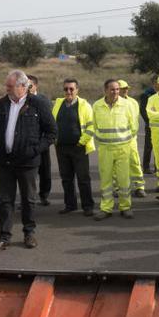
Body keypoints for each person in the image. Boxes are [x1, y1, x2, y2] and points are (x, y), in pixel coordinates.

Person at [0, 70, 57, 255]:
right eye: (7, 86)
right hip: (5, 162)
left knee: (28, 199)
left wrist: (34, 150)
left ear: (23, 86)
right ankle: (4, 236)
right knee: (5, 200)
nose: (6, 89)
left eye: (10, 86)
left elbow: (51, 133)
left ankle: (29, 233)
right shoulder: (1, 104)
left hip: (28, 162)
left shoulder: (39, 104)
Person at [91, 79, 137, 220]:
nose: (116, 92)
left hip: (123, 148)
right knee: (106, 181)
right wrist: (100, 138)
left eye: (117, 89)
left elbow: (134, 126)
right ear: (105, 90)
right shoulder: (97, 106)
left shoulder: (127, 104)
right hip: (105, 149)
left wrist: (125, 141)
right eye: (112, 89)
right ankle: (106, 208)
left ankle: (125, 207)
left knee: (124, 180)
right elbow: (94, 125)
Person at [51, 78, 96, 216]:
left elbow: (91, 126)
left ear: (77, 90)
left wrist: (82, 142)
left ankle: (87, 206)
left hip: (79, 147)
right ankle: (70, 205)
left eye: (71, 89)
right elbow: (52, 123)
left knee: (83, 178)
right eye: (66, 89)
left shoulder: (84, 105)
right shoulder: (58, 103)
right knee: (66, 178)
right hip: (61, 148)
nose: (68, 91)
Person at [27, 75, 53, 206]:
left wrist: (44, 141)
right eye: (24, 85)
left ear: (36, 86)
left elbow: (49, 123)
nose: (27, 88)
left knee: (45, 170)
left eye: (29, 86)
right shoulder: (21, 100)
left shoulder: (44, 101)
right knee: (26, 174)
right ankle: (27, 198)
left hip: (42, 142)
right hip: (26, 144)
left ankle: (44, 195)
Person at [118, 80, 146, 198]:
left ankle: (139, 187)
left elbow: (135, 120)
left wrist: (131, 135)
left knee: (135, 162)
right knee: (117, 164)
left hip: (131, 138)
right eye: (123, 88)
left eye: (126, 88)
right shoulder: (113, 103)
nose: (126, 90)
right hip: (117, 139)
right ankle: (117, 187)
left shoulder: (133, 102)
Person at [139, 81, 156, 176]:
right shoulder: (146, 94)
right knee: (148, 147)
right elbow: (142, 110)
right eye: (157, 83)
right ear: (154, 84)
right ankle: (146, 167)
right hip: (150, 124)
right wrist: (148, 121)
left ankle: (158, 167)